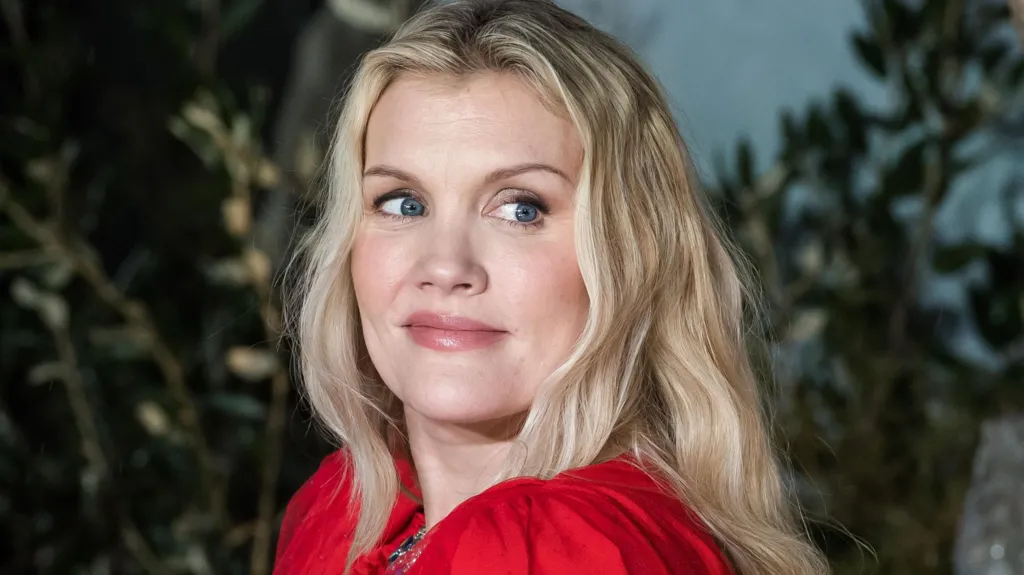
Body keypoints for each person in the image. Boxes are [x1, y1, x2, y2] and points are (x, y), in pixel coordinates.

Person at [275, 0, 828, 573]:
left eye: (520, 209)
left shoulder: (560, 548)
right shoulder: (340, 516)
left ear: (626, 256)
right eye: (403, 203)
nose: (444, 265)